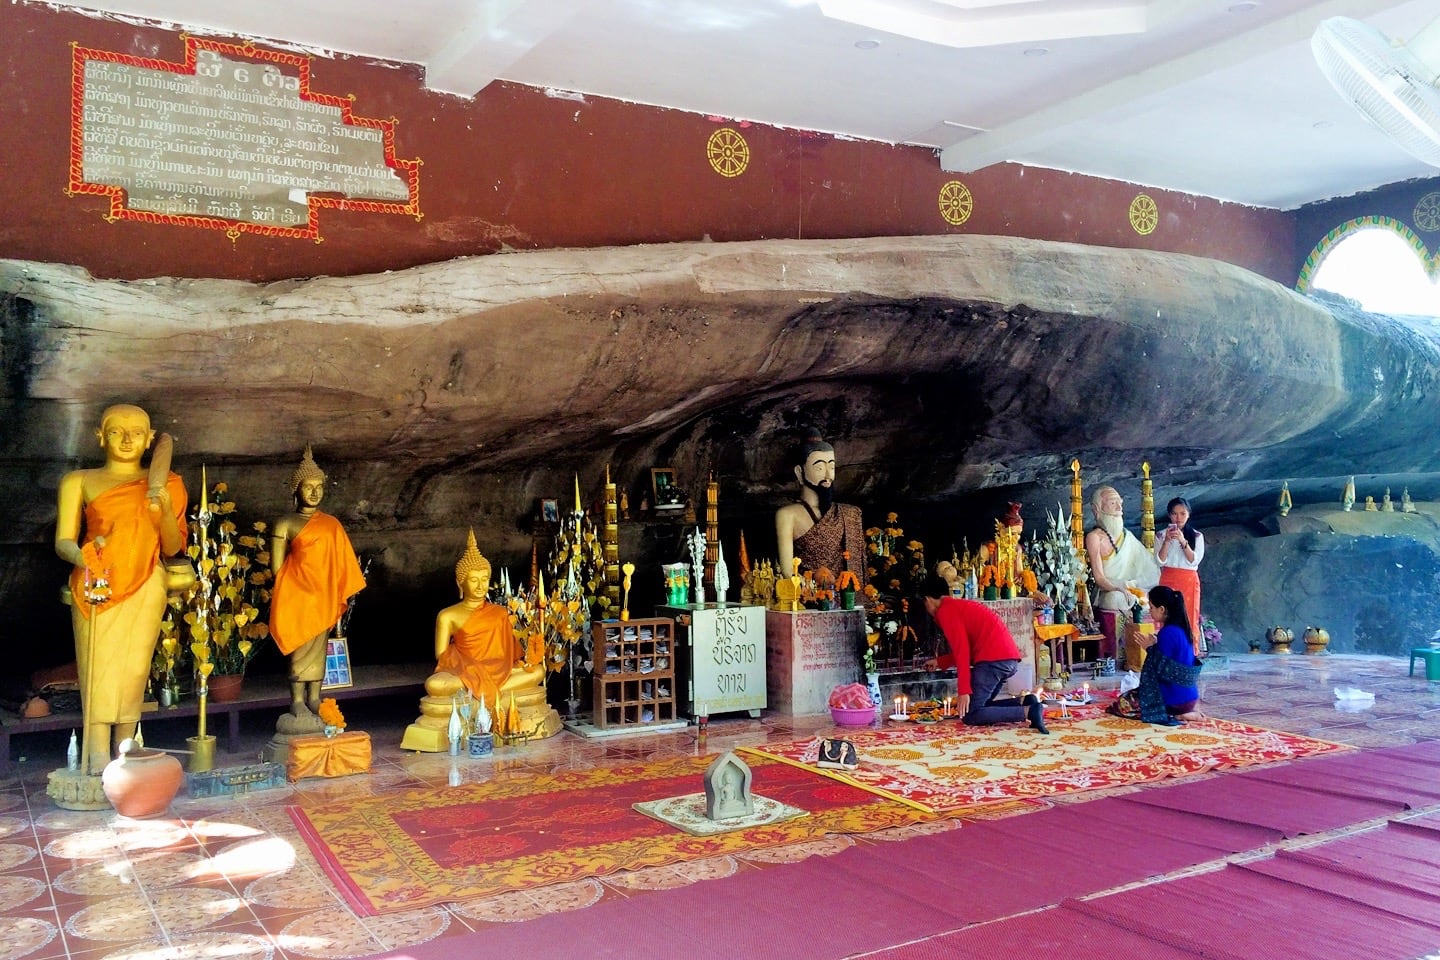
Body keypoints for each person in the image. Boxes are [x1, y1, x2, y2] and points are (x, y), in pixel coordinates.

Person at [54, 404, 187, 775]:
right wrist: (84, 556)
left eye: (136, 432)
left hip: (147, 580)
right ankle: (96, 749)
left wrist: (161, 512)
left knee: (133, 667)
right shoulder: (78, 480)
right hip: (97, 581)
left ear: (149, 439)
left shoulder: (167, 483)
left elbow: (173, 547)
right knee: (98, 666)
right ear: (100, 436)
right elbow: (63, 540)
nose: (127, 439)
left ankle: (126, 744)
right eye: (116, 431)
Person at [400, 530, 559, 750]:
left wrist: (526, 662)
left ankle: (482, 697)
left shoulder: (500, 613)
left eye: (484, 579)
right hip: (466, 672)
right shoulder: (448, 615)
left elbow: (512, 655)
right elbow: (441, 655)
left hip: (500, 672)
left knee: (538, 672)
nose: (480, 585)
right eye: (473, 580)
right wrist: (471, 669)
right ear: (460, 583)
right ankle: (494, 698)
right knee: (436, 684)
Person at [269, 445, 366, 721]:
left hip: (322, 596)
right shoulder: (285, 523)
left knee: (318, 651)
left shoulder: (331, 524)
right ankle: (297, 700)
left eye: (318, 487)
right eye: (308, 486)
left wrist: (330, 588)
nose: (314, 492)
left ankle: (315, 697)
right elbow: (277, 568)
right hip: (297, 596)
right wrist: (297, 588)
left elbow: (340, 563)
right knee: (299, 648)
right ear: (295, 489)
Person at [919, 575, 1048, 733]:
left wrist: (964, 691)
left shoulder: (946, 611)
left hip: (992, 661)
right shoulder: (956, 606)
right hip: (1007, 659)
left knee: (971, 714)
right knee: (982, 706)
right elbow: (968, 647)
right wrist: (940, 662)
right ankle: (1025, 702)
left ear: (928, 599)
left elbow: (962, 652)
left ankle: (1029, 712)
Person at [774, 435, 867, 597]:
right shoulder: (787, 515)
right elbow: (788, 571)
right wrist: (812, 589)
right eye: (819, 467)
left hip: (847, 596)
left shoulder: (850, 514)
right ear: (799, 472)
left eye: (831, 467)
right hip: (809, 597)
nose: (828, 475)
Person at [1084, 485, 1159, 665]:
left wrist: (1133, 587)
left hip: (1129, 587)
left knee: (1148, 599)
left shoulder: (1128, 537)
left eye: (1120, 503)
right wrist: (1119, 587)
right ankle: (1118, 655)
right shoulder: (1095, 537)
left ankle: (1147, 653)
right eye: (1112, 503)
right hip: (1108, 591)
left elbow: (1148, 569)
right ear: (1097, 509)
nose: (1119, 508)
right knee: (1116, 599)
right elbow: (1099, 578)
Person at [1108, 585, 1202, 725]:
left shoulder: (1167, 633)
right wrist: (1155, 647)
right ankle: (1183, 712)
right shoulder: (1180, 630)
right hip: (1190, 698)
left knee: (1122, 704)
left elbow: (1161, 670)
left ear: (1162, 609)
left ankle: (1178, 714)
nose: (1150, 611)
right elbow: (1171, 662)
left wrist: (1149, 649)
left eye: (1151, 607)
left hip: (1175, 700)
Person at [1155, 496, 1204, 655]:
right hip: (1168, 577)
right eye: (1175, 514)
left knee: (1189, 615)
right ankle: (1167, 650)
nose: (1179, 518)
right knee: (1167, 615)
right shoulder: (1161, 535)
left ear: (1188, 514)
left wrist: (1183, 541)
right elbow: (1160, 560)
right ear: (1169, 515)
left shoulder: (1196, 536)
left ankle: (1189, 652)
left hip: (1188, 579)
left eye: (1182, 514)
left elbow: (1193, 560)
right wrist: (1167, 542)